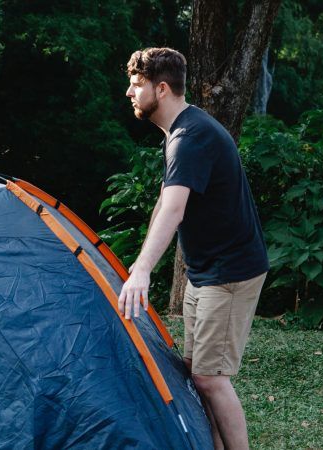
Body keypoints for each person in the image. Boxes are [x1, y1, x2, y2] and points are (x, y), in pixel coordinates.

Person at [118, 47, 269, 449]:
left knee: (210, 378)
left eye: (137, 85)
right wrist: (138, 263)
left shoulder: (190, 137)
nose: (130, 93)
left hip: (231, 271)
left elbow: (174, 209)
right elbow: (165, 201)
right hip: (206, 270)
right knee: (196, 370)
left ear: (161, 88)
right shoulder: (180, 132)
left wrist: (145, 269)